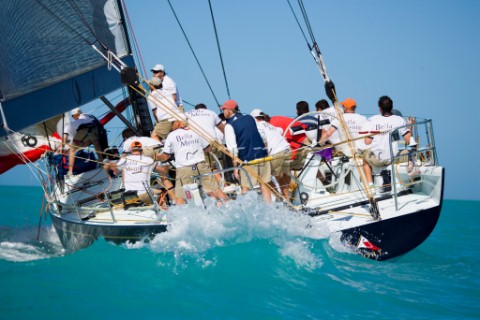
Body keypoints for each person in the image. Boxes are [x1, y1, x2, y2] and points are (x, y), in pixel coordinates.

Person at [156, 119, 228, 205]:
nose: (171, 126)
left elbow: (165, 156)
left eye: (172, 123)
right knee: (215, 190)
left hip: (185, 170)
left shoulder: (172, 135)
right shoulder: (196, 131)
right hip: (202, 166)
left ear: (178, 122)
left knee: (180, 197)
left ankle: (182, 216)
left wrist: (154, 157)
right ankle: (229, 205)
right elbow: (208, 149)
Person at [222, 100, 272, 203]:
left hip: (247, 159)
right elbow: (262, 136)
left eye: (224, 109)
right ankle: (269, 208)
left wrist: (235, 168)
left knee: (246, 188)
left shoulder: (229, 125)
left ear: (230, 110)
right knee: (265, 185)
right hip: (262, 155)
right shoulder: (250, 117)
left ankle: (247, 214)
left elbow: (232, 148)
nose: (223, 112)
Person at [362, 95, 412, 187]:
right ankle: (411, 177)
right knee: (408, 153)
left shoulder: (373, 121)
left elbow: (367, 142)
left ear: (380, 109)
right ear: (392, 108)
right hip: (393, 159)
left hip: (378, 160)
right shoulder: (399, 120)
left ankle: (371, 185)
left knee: (365, 158)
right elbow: (409, 140)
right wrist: (410, 126)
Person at [251, 109, 291, 199]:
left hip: (278, 153)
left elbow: (263, 139)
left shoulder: (258, 126)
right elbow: (280, 130)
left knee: (264, 178)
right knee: (281, 177)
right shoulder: (269, 125)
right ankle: (287, 199)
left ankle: (280, 198)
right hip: (287, 150)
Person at [61, 108, 106, 175]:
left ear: (75, 116)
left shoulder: (71, 125)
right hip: (94, 130)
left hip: (83, 133)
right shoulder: (89, 116)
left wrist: (62, 148)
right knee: (96, 143)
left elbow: (64, 139)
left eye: (73, 117)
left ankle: (70, 172)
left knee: (72, 150)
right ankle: (101, 162)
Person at [185, 103, 226, 171]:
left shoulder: (187, 114)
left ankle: (217, 179)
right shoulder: (211, 113)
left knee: (207, 168)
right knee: (218, 165)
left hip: (196, 144)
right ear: (205, 109)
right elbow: (223, 129)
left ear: (195, 109)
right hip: (213, 142)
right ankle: (223, 179)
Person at [116, 140, 156, 205]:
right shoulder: (148, 160)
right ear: (142, 150)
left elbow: (117, 168)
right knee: (160, 192)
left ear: (131, 150)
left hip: (130, 196)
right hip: (145, 194)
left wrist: (124, 155)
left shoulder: (125, 159)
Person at [147, 77, 182, 142]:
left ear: (152, 85)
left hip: (166, 119)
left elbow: (155, 113)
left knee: (154, 136)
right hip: (177, 117)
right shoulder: (168, 92)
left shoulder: (151, 96)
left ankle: (162, 151)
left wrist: (158, 123)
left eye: (150, 84)